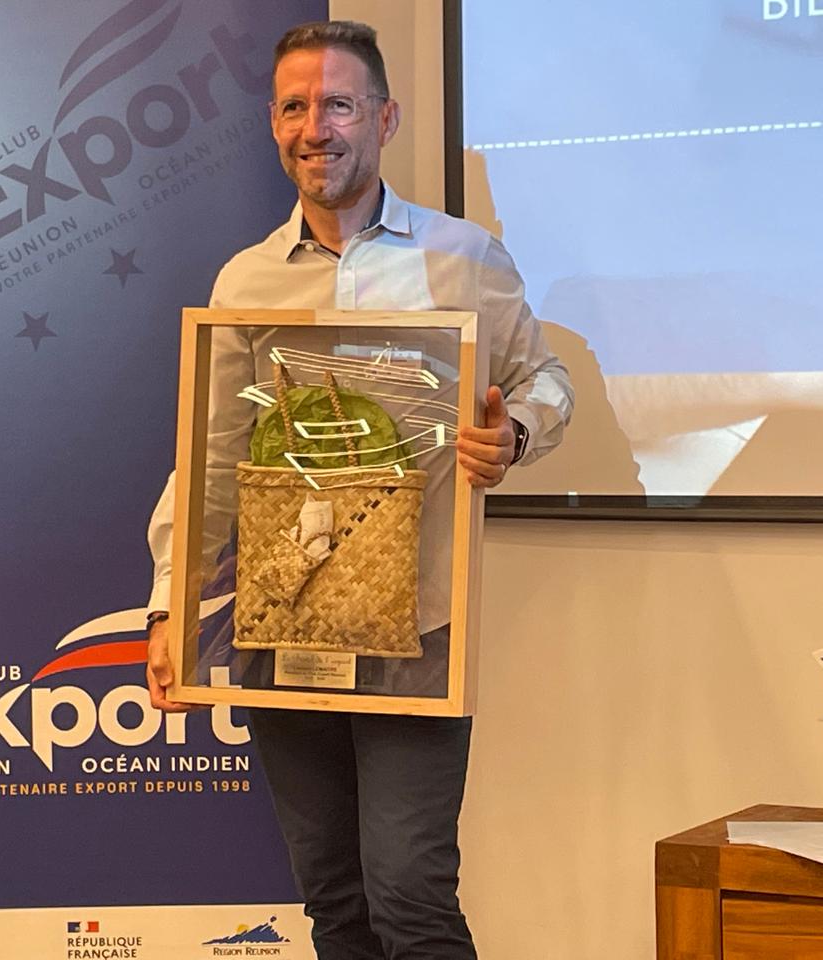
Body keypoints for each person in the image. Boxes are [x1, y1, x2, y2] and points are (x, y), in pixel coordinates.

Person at [143, 20, 573, 960]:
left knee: (410, 895)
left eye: (338, 104)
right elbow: (209, 458)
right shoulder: (246, 280)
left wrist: (513, 434)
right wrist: (171, 605)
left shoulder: (466, 259)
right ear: (273, 124)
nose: (316, 128)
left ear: (384, 117)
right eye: (295, 107)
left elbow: (545, 381)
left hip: (419, 627)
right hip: (283, 622)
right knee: (334, 900)